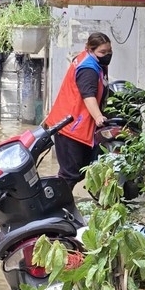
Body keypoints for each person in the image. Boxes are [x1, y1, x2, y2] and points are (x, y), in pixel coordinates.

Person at [46, 32, 113, 190]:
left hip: (71, 123)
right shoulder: (88, 69)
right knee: (70, 174)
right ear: (90, 49)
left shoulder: (90, 61)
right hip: (71, 126)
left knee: (81, 170)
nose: (107, 56)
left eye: (109, 52)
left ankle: (61, 203)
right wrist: (98, 117)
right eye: (103, 52)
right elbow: (88, 95)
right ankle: (56, 206)